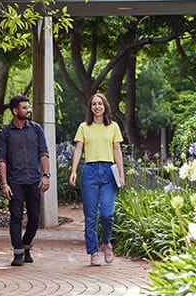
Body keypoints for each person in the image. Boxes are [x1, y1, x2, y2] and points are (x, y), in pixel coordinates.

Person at [68, 93, 125, 266]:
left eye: (100, 103)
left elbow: (117, 151)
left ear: (105, 106)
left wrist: (121, 174)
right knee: (91, 216)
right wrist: (74, 170)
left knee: (107, 214)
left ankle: (106, 242)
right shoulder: (84, 127)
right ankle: (93, 252)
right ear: (91, 107)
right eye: (94, 104)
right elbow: (78, 150)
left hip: (108, 171)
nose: (97, 106)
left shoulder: (113, 127)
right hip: (90, 171)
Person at [0, 95, 51, 266]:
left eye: (28, 107)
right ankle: (18, 252)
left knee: (35, 217)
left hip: (34, 180)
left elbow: (43, 153)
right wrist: (4, 184)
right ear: (15, 111)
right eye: (24, 108)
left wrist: (46, 175)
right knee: (16, 216)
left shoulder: (36, 129)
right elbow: (2, 160)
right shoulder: (4, 133)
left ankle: (26, 245)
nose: (28, 110)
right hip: (14, 181)